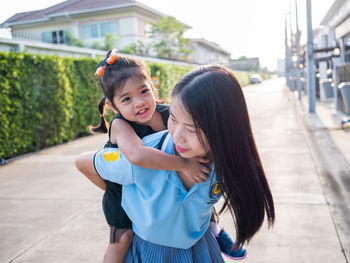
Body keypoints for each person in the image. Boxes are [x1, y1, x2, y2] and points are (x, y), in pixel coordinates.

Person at [76, 64, 275, 262]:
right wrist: (127, 191)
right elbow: (98, 160)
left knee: (204, 210)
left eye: (191, 128)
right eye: (126, 99)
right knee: (121, 240)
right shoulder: (129, 141)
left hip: (198, 242)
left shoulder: (223, 157)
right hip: (134, 209)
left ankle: (214, 229)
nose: (177, 136)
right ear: (112, 105)